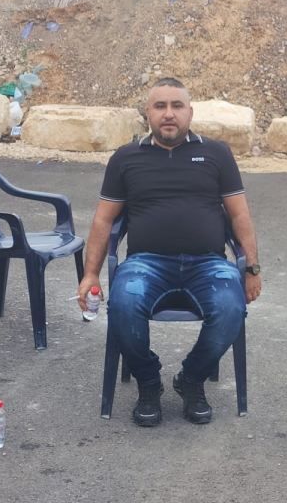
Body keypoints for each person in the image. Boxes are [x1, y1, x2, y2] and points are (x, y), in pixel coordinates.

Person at [78, 78, 261, 427]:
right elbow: (104, 221)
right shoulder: (126, 158)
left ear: (190, 112)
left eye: (177, 106)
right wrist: (90, 274)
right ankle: (148, 382)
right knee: (123, 304)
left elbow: (239, 215)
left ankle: (191, 379)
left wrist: (251, 268)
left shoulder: (217, 154)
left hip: (209, 264)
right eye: (160, 106)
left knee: (230, 307)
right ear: (147, 113)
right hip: (146, 264)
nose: (168, 114)